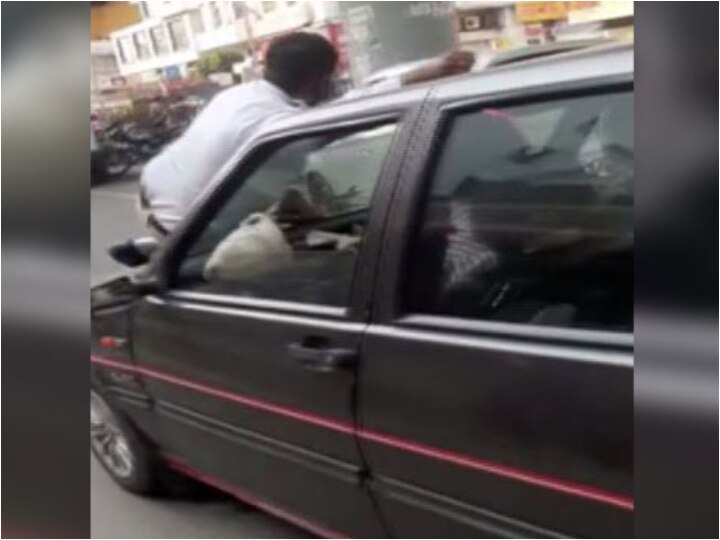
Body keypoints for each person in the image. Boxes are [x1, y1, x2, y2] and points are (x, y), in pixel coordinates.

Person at [140, 32, 474, 234]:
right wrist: (420, 76)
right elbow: (348, 113)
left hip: (159, 201)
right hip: (194, 236)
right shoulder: (277, 123)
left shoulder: (239, 96)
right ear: (319, 78)